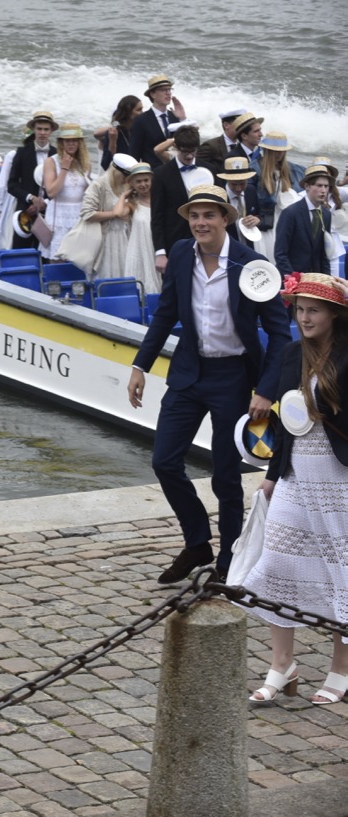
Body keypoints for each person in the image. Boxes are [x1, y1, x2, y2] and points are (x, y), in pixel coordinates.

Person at [127, 185, 291, 584]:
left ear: (225, 219)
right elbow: (166, 314)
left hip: (233, 377)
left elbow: (279, 333)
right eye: (195, 216)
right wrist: (140, 365)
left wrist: (265, 391)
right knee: (164, 461)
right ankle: (197, 541)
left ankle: (228, 560)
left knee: (225, 475)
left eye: (209, 215)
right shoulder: (182, 253)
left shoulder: (253, 265)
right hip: (188, 372)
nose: (201, 223)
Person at [243, 273, 348, 706]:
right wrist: (272, 475)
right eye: (300, 309)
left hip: (338, 476)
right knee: (277, 564)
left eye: (314, 310)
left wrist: (326, 408)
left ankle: (341, 669)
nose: (304, 318)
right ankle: (282, 665)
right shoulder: (290, 354)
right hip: (295, 474)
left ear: (334, 315)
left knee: (341, 570)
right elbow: (285, 427)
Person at [150, 125, 212, 275]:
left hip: (208, 244)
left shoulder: (209, 170)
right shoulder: (161, 174)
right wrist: (160, 253)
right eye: (185, 151)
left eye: (193, 151)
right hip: (175, 244)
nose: (189, 156)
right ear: (176, 147)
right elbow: (157, 216)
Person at [77, 153, 134, 279]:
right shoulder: (98, 185)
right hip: (103, 238)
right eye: (125, 176)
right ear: (116, 172)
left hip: (123, 237)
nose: (127, 180)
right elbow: (86, 213)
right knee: (105, 275)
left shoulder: (126, 185)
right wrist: (114, 214)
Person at [41, 123, 92, 262]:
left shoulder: (85, 163)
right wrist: (64, 168)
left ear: (79, 143)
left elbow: (87, 192)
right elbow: (51, 193)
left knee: (78, 258)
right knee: (58, 258)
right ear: (61, 143)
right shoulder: (51, 162)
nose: (71, 144)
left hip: (78, 214)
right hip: (59, 215)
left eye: (74, 140)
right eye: (67, 140)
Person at [7, 109, 58, 250]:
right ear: (34, 130)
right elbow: (11, 185)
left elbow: (61, 185)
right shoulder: (22, 153)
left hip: (50, 212)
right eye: (39, 129)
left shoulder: (58, 154)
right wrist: (31, 198)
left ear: (51, 131)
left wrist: (44, 202)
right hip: (25, 212)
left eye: (46, 129)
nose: (42, 132)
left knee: (47, 252)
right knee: (21, 251)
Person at [275, 164, 335, 278]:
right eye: (319, 185)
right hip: (293, 277)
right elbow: (280, 253)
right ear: (307, 186)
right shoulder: (291, 213)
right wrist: (292, 277)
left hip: (315, 278)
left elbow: (324, 253)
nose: (323, 190)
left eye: (326, 186)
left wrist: (327, 279)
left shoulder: (326, 215)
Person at [254, 131, 305, 263]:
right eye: (275, 151)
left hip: (287, 218)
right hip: (268, 220)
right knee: (271, 256)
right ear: (267, 151)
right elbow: (251, 199)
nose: (279, 154)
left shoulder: (294, 170)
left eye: (281, 151)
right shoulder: (255, 169)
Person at [128, 74, 184, 167]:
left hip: (174, 170)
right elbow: (134, 152)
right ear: (152, 94)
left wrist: (183, 119)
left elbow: (187, 144)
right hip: (152, 171)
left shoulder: (175, 117)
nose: (168, 93)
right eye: (163, 90)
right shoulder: (141, 120)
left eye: (169, 89)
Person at [123, 162, 160, 293]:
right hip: (139, 249)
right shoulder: (132, 204)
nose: (143, 184)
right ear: (132, 184)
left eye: (146, 180)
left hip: (156, 247)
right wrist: (124, 196)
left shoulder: (160, 200)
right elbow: (118, 213)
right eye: (138, 181)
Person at [218, 156, 260, 249]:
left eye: (242, 183)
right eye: (234, 184)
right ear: (227, 180)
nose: (238, 188)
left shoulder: (251, 190)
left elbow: (259, 214)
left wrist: (257, 220)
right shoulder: (219, 197)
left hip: (249, 246)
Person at [93, 95, 142, 172]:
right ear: (128, 112)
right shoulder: (114, 133)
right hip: (117, 176)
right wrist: (113, 141)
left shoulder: (139, 131)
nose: (142, 113)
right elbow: (106, 165)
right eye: (139, 110)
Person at [199, 107, 246, 176]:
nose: (242, 127)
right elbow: (198, 167)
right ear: (226, 125)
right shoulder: (211, 146)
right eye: (238, 123)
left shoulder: (242, 146)